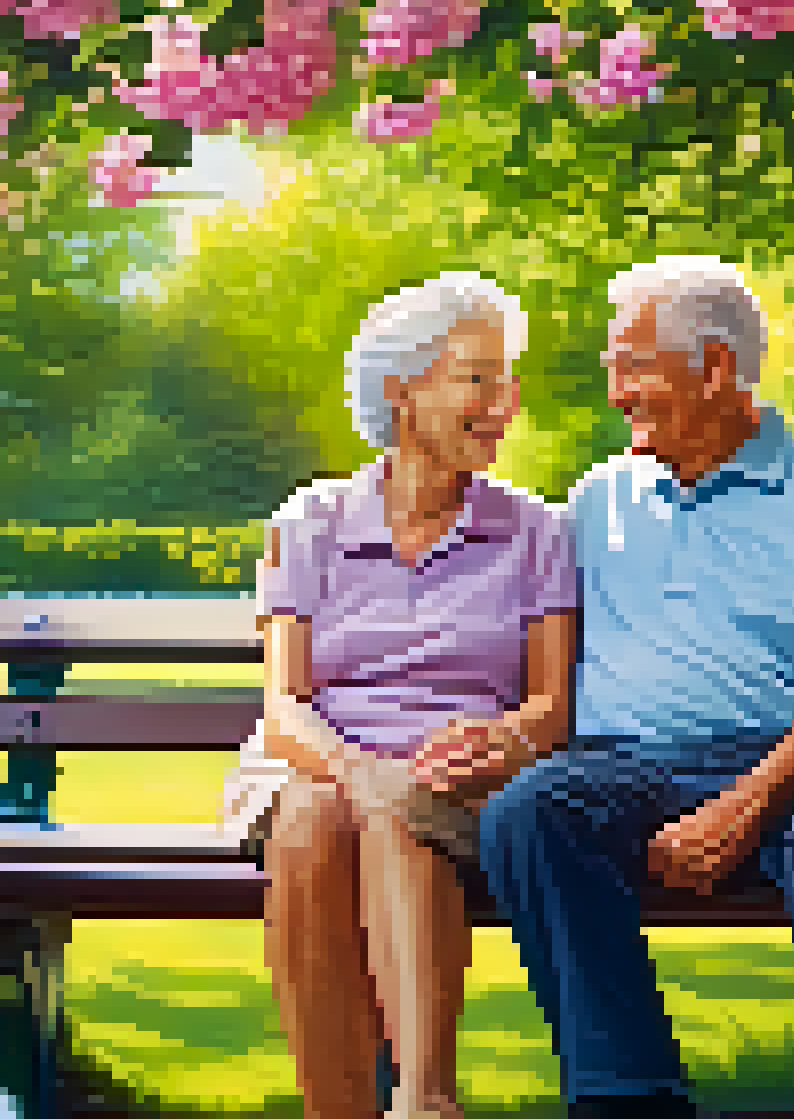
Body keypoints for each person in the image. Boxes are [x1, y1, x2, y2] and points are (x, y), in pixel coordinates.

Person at [466, 256, 794, 1119]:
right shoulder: (597, 499)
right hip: (633, 771)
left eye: (633, 368)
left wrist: (742, 806)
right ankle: (630, 1098)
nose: (617, 394)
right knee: (531, 811)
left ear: (717, 367)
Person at [223, 271, 579, 1119]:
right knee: (316, 817)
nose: (503, 401)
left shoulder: (535, 531)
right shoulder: (310, 521)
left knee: (402, 809)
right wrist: (358, 771)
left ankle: (423, 1101)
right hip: (314, 762)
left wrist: (507, 744)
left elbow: (550, 709)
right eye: (477, 376)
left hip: (456, 778)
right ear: (402, 390)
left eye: (506, 378)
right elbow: (283, 711)